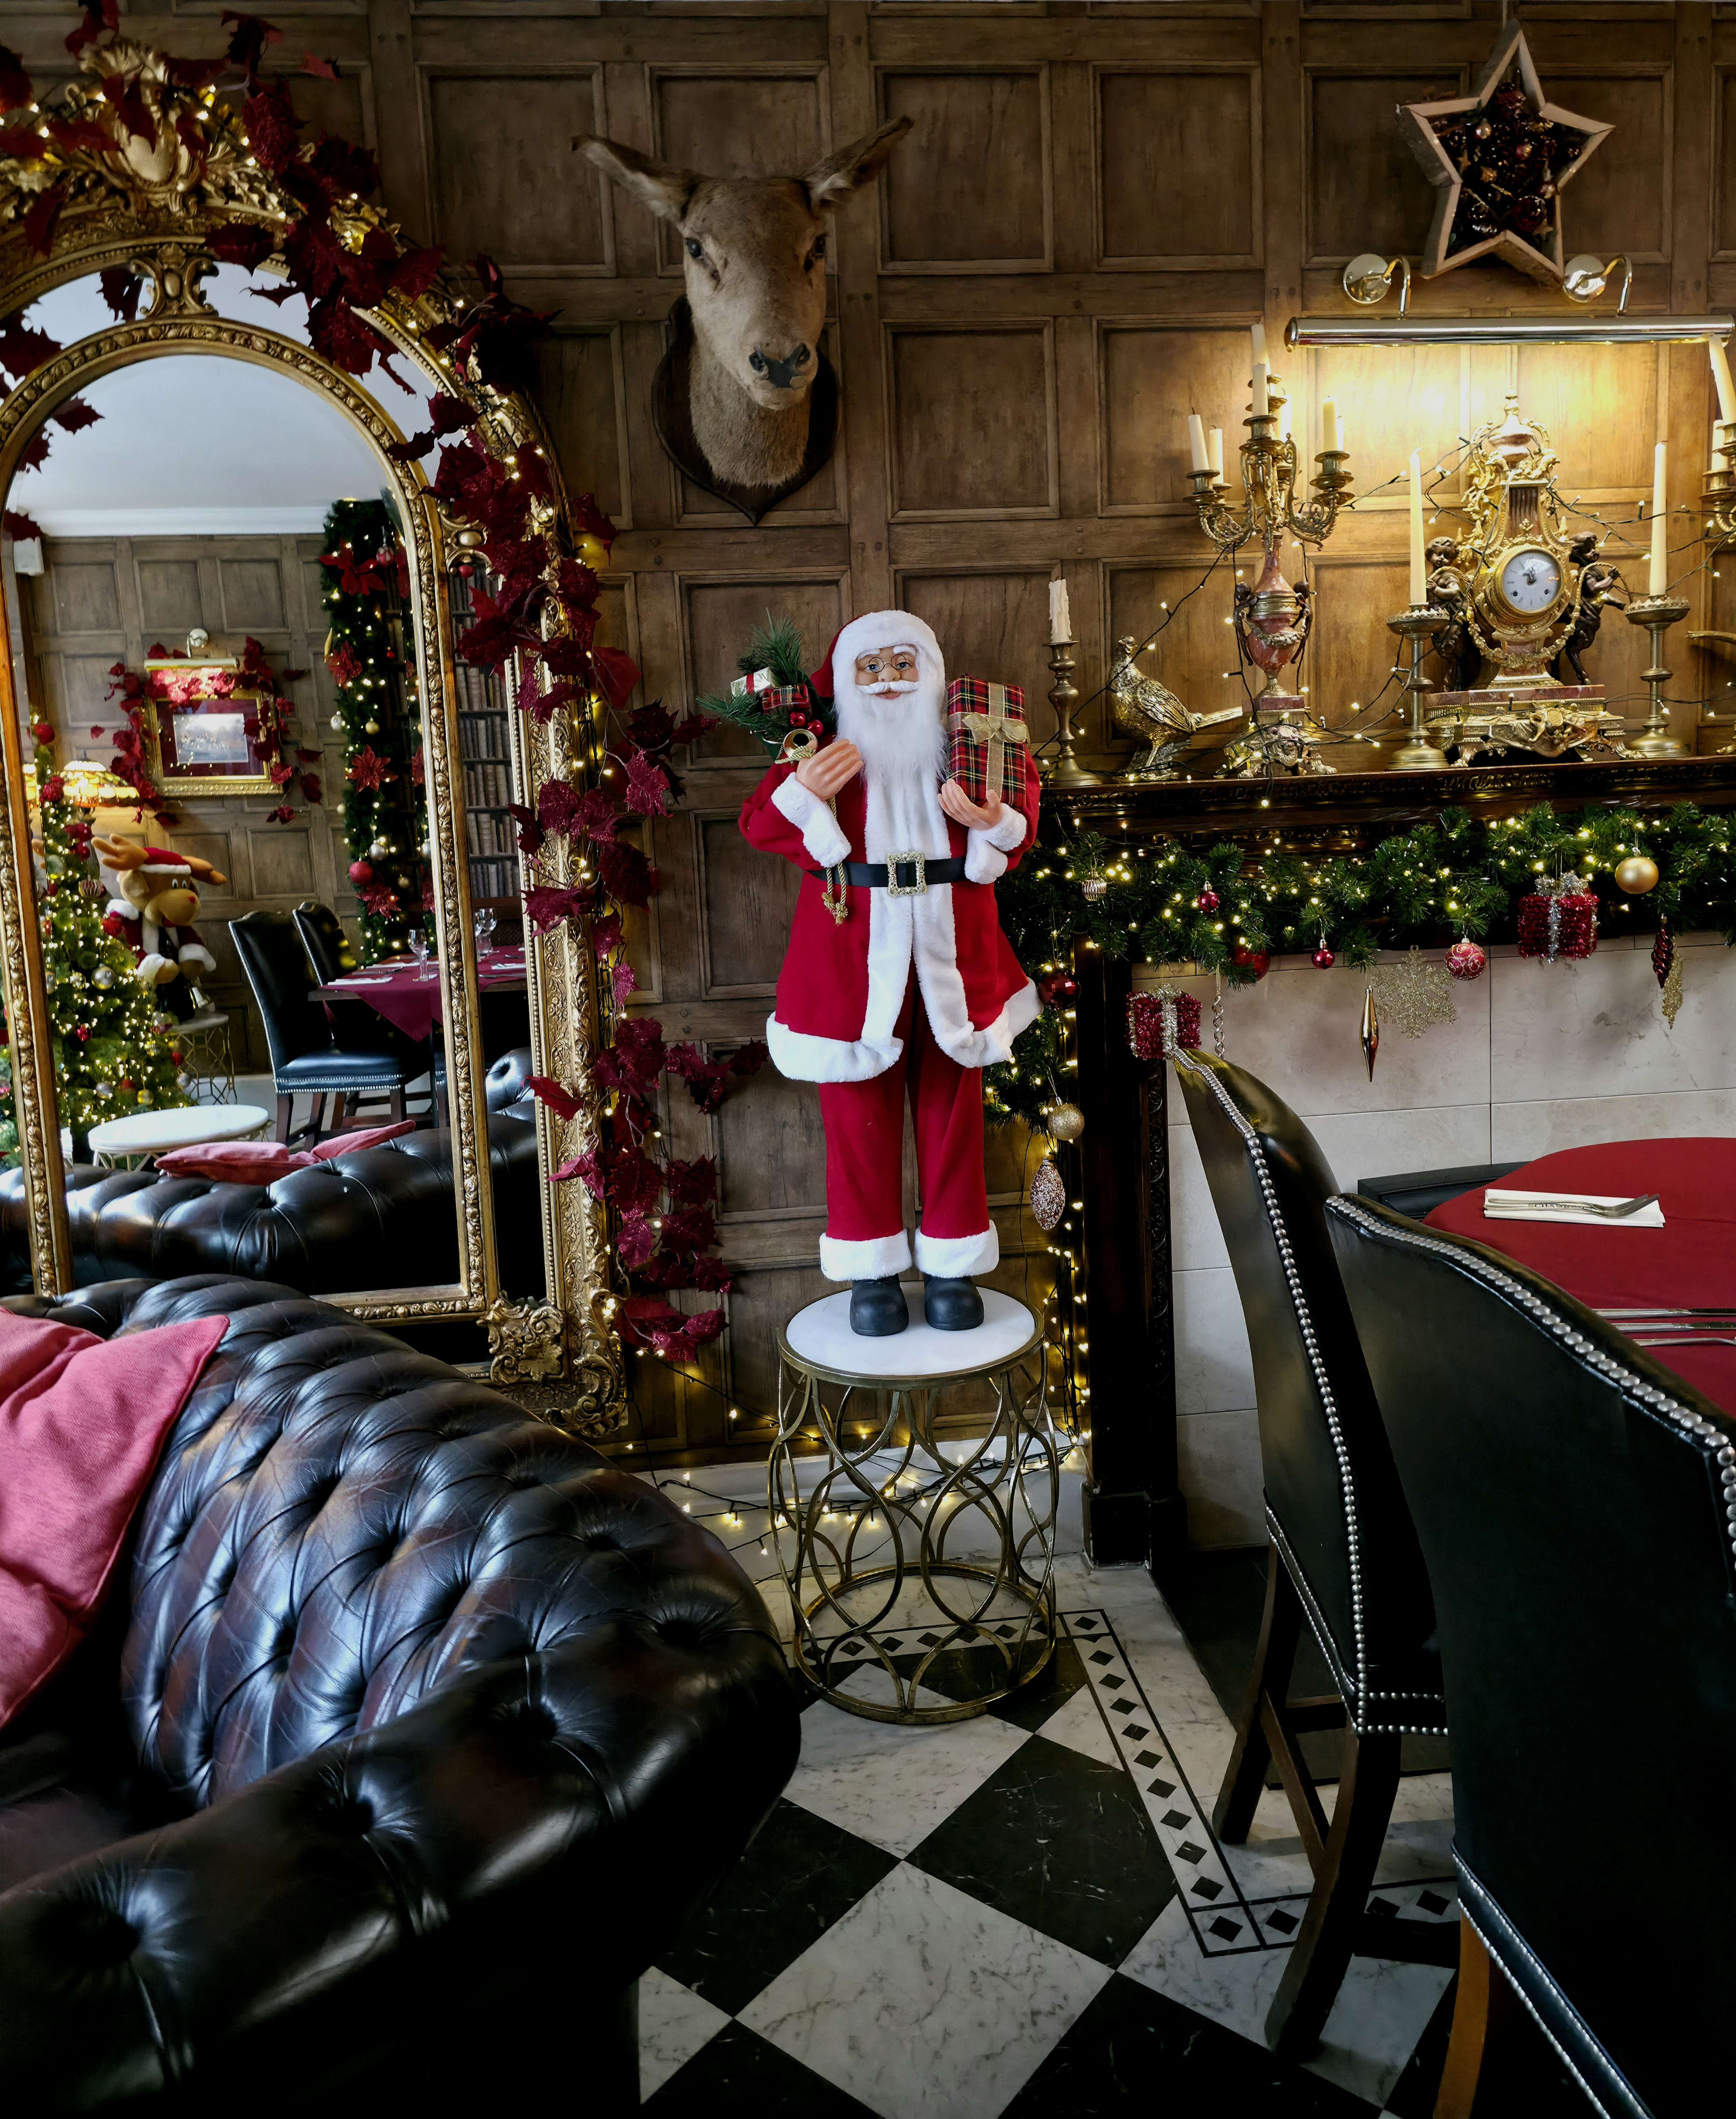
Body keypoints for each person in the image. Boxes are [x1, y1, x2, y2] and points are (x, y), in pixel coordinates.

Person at [738, 611, 1041, 1336]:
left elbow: (1022, 818)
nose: (887, 682)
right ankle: (870, 1270)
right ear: (846, 681)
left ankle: (951, 1265)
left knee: (952, 1109)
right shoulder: (815, 747)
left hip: (954, 947)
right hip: (851, 949)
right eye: (870, 669)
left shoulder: (972, 742)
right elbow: (760, 824)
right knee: (856, 1112)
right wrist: (804, 790)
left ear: (928, 674)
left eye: (902, 665)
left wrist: (994, 819)